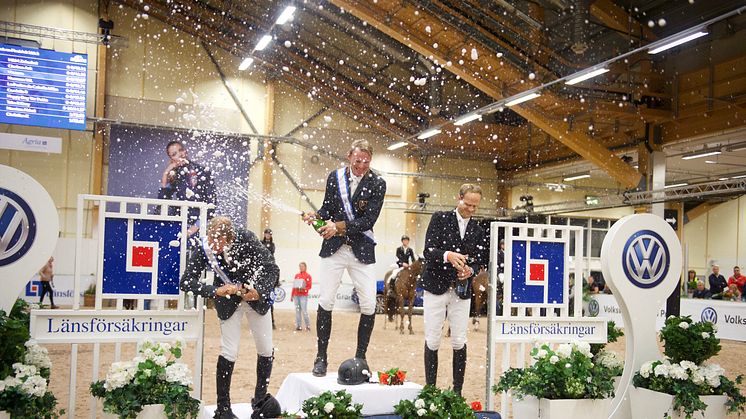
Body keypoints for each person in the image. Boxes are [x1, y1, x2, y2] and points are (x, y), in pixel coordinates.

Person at [180, 216, 279, 419]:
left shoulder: (246, 238)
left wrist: (259, 291)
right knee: (229, 350)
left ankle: (260, 398)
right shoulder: (205, 247)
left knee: (266, 348)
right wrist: (216, 290)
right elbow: (186, 281)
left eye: (218, 241)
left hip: (255, 300)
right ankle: (223, 407)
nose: (212, 245)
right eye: (210, 239)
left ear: (229, 237)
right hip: (227, 302)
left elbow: (271, 267)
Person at [302, 139, 386, 377]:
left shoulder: (378, 183)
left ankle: (361, 355)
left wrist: (337, 227)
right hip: (335, 249)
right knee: (326, 301)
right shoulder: (334, 177)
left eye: (366, 162)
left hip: (361, 249)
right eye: (358, 161)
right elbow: (327, 209)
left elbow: (368, 221)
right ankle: (321, 357)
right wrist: (316, 218)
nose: (361, 166)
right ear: (349, 156)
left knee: (369, 304)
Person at [420, 184, 487, 396]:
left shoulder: (478, 229)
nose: (471, 209)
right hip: (435, 286)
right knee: (433, 339)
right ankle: (430, 389)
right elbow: (428, 250)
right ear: (459, 198)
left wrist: (470, 270)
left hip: (461, 290)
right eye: (468, 204)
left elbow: (479, 261)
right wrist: (448, 255)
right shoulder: (439, 218)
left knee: (459, 340)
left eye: (475, 206)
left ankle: (457, 392)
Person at [158, 140, 217, 235]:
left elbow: (211, 203)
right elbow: (162, 201)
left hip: (200, 225)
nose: (180, 154)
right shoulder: (175, 174)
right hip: (180, 222)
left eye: (181, 150)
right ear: (172, 159)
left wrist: (195, 227)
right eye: (174, 154)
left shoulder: (203, 171)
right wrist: (166, 172)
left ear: (186, 151)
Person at [261, 228, 280, 330]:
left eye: (269, 234)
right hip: (263, 265)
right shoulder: (261, 243)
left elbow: (270, 252)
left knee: (270, 302)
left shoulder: (272, 245)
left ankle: (271, 321)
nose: (267, 235)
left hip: (269, 265)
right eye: (266, 234)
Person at [291, 262, 312, 331]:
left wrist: (304, 289)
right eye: (300, 266)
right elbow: (294, 286)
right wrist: (292, 295)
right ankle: (298, 325)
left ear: (305, 267)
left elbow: (309, 286)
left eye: (302, 266)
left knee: (304, 310)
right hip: (296, 295)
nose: (301, 268)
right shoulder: (297, 275)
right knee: (297, 311)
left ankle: (308, 325)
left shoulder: (308, 276)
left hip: (303, 296)